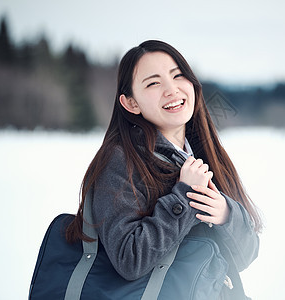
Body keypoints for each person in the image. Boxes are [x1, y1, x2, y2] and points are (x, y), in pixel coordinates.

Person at [66, 40, 262, 299]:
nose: (171, 89)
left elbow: (246, 257)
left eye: (178, 75)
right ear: (130, 103)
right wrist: (183, 198)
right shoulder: (120, 161)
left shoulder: (204, 155)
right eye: (153, 83)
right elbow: (130, 259)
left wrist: (226, 214)